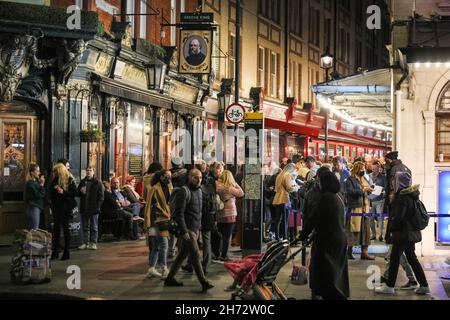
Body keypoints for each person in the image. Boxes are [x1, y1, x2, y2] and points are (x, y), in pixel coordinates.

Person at [375, 172, 430, 295]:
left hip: (403, 233)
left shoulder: (402, 197)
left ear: (399, 182)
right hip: (409, 233)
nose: (393, 182)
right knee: (411, 258)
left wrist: (391, 231)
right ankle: (424, 285)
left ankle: (390, 286)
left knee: (395, 258)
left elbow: (398, 217)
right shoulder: (411, 195)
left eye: (395, 180)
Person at [299, 171, 350, 300]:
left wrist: (302, 235)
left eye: (321, 181)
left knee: (325, 270)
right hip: (339, 238)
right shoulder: (338, 196)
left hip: (327, 240)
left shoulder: (326, 198)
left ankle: (328, 294)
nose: (319, 184)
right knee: (337, 270)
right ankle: (338, 292)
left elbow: (314, 218)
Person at [164, 169, 214, 293]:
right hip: (188, 229)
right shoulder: (184, 191)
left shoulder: (200, 191)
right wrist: (184, 231)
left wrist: (199, 226)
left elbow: (199, 211)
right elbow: (178, 214)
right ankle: (204, 282)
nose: (199, 180)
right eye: (195, 177)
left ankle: (169, 278)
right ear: (189, 177)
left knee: (182, 255)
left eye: (200, 177)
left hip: (195, 228)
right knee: (196, 255)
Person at [145, 170, 173, 278]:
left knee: (156, 246)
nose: (169, 178)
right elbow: (148, 206)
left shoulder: (169, 187)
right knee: (163, 244)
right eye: (167, 176)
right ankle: (164, 268)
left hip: (164, 220)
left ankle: (152, 268)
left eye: (170, 176)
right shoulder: (154, 188)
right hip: (156, 221)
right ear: (161, 177)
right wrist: (147, 223)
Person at [345, 161, 375, 260]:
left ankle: (364, 253)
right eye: (362, 168)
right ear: (357, 169)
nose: (363, 170)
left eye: (364, 168)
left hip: (365, 209)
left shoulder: (364, 179)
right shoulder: (350, 179)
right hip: (355, 208)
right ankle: (349, 252)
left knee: (366, 231)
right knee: (353, 230)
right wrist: (363, 190)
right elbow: (350, 192)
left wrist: (370, 190)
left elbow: (366, 192)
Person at [50, 163, 77, 261]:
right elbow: (51, 194)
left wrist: (63, 192)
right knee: (56, 231)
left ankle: (66, 251)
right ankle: (55, 251)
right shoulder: (55, 180)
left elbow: (74, 193)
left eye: (56, 172)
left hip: (66, 208)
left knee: (66, 230)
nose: (55, 174)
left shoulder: (70, 180)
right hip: (57, 208)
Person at [215, 170, 244, 261]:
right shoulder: (230, 188)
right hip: (230, 213)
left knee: (220, 234)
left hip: (219, 213)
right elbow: (241, 193)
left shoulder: (217, 185)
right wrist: (235, 183)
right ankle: (224, 255)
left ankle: (218, 253)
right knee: (227, 236)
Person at [77, 167, 104, 250]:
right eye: (87, 171)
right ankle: (85, 242)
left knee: (94, 226)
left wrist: (98, 206)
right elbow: (77, 193)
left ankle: (93, 242)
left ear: (93, 172)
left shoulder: (97, 182)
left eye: (90, 171)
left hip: (94, 208)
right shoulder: (83, 182)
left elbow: (101, 196)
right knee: (85, 226)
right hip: (85, 207)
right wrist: (80, 191)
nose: (88, 172)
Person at [272, 163, 300, 241]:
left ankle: (277, 237)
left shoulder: (279, 175)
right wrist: (297, 187)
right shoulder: (287, 175)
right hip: (284, 199)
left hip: (277, 198)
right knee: (285, 220)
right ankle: (285, 238)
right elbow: (289, 188)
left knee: (278, 219)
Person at [369, 160, 387, 241]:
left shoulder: (383, 177)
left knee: (380, 218)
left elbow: (386, 188)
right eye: (372, 169)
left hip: (380, 200)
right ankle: (373, 234)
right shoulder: (368, 176)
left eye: (375, 169)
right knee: (371, 219)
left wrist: (381, 189)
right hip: (370, 201)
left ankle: (380, 235)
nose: (374, 170)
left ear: (379, 168)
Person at [24, 163, 46, 230]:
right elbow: (39, 195)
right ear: (32, 173)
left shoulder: (35, 181)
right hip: (33, 208)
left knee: (34, 229)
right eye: (37, 171)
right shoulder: (30, 183)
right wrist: (42, 185)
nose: (39, 173)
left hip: (36, 207)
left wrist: (39, 183)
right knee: (34, 230)